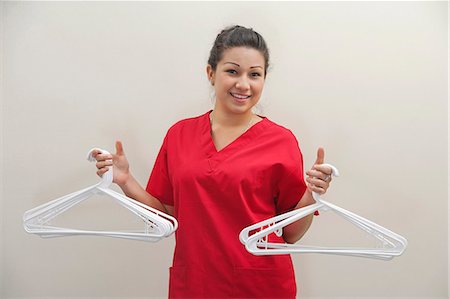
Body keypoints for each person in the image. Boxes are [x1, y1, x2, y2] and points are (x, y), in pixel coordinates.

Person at [93, 25, 333, 299]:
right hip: (195, 284)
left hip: (260, 287)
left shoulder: (281, 141)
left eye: (255, 75)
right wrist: (125, 181)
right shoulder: (179, 135)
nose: (243, 84)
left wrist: (312, 194)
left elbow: (290, 234)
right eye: (232, 71)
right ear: (211, 73)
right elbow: (166, 217)